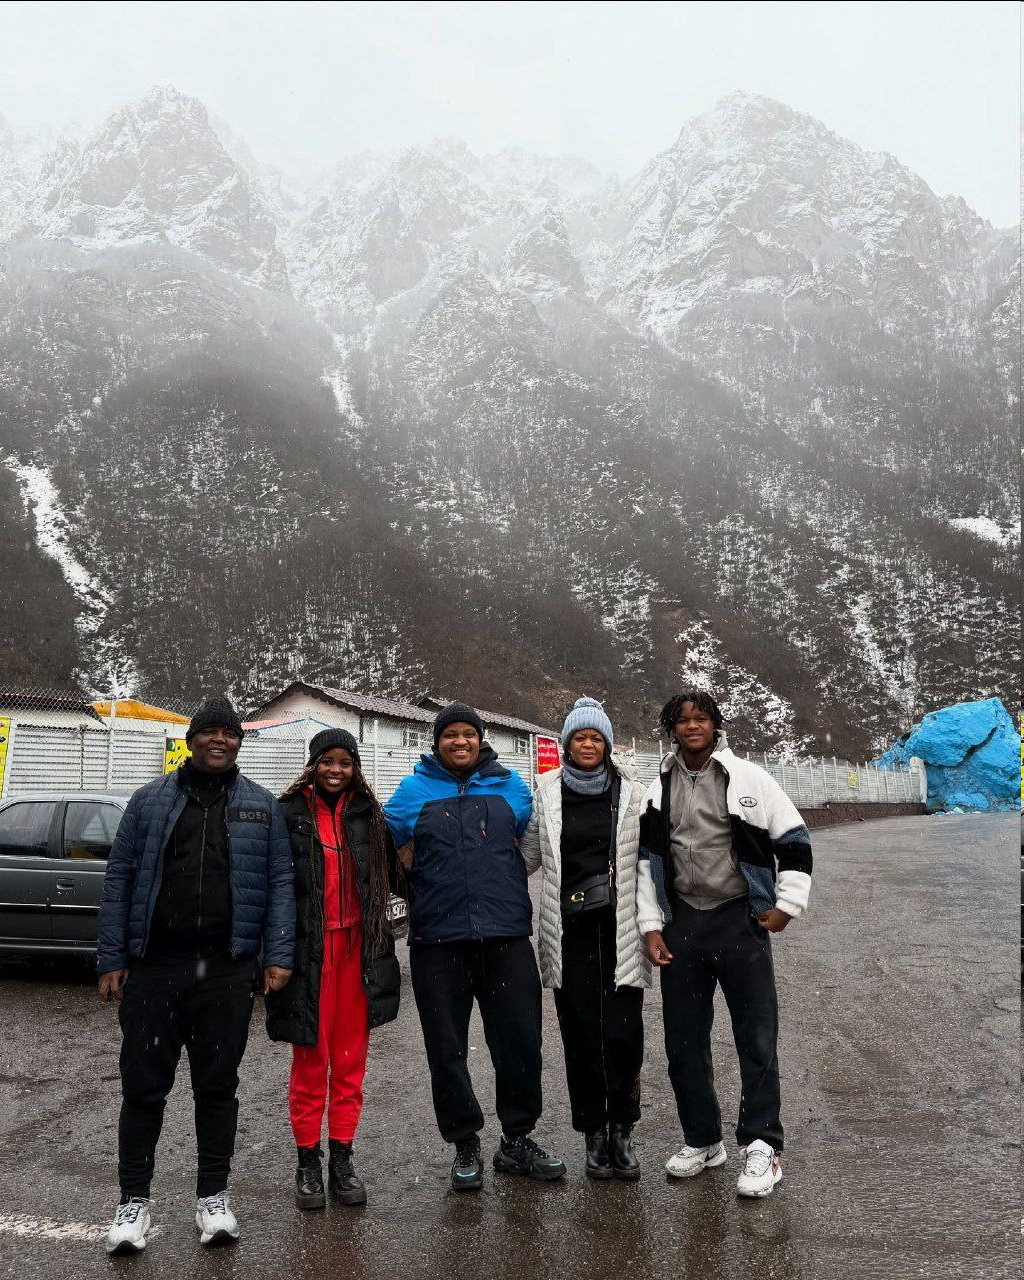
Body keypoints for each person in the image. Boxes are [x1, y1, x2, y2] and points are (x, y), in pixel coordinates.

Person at [97, 696, 294, 1254]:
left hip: (228, 972)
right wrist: (113, 956)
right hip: (156, 968)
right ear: (190, 740)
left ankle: (214, 1200)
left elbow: (280, 883)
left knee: (217, 1088)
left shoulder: (261, 807)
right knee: (143, 1089)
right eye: (208, 732)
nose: (219, 741)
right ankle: (132, 1205)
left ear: (238, 743)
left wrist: (277, 953)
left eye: (228, 734)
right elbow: (120, 879)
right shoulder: (150, 802)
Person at [636, 690, 812, 1198]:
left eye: (702, 718)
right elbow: (647, 862)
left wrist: (786, 905)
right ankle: (702, 1139)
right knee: (682, 1042)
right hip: (683, 925)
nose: (693, 727)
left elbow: (794, 838)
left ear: (716, 726)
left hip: (740, 920)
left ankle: (762, 1145)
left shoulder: (749, 778)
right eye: (683, 720)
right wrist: (652, 924)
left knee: (756, 1037)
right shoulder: (658, 787)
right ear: (671, 729)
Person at [383, 701, 566, 1191]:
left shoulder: (511, 788)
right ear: (437, 741)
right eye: (450, 735)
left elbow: (527, 847)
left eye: (468, 734)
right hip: (436, 943)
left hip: (506, 936)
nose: (459, 742)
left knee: (520, 1042)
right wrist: (421, 890)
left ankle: (517, 1139)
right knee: (447, 1048)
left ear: (481, 739)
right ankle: (465, 1142)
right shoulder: (411, 791)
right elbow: (387, 852)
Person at [266, 729, 402, 1210]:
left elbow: (396, 873)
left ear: (355, 767)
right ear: (313, 765)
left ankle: (342, 1159)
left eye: (345, 762)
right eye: (328, 761)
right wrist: (273, 954)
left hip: (358, 952)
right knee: (310, 1060)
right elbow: (273, 887)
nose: (336, 771)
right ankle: (308, 1162)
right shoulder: (289, 816)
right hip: (309, 955)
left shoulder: (371, 814)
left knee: (349, 1062)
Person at [521, 697, 650, 1180]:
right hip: (568, 932)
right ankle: (593, 1132)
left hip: (620, 932)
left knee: (623, 1037)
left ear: (609, 745)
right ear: (566, 745)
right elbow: (526, 857)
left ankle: (623, 1129)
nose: (589, 744)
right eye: (580, 737)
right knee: (579, 1036)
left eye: (597, 737)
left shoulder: (633, 794)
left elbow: (649, 862)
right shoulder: (545, 792)